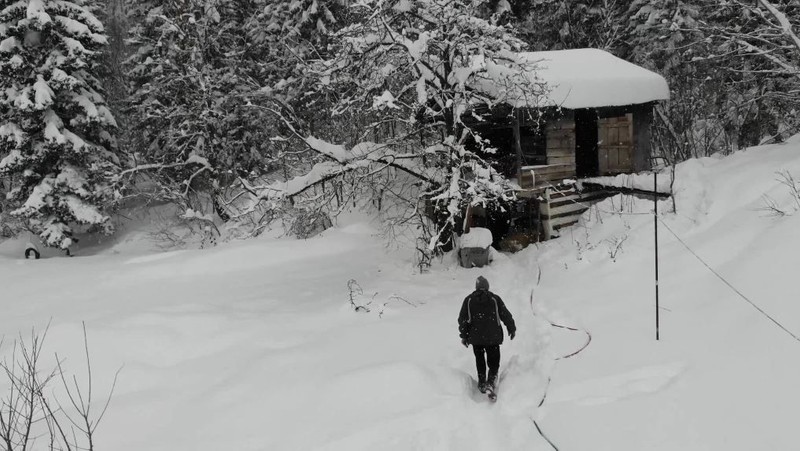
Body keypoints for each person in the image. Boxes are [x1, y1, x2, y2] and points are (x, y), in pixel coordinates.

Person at [458, 276, 516, 393]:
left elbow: (463, 319)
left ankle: (482, 382)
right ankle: (491, 381)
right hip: (492, 337)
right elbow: (505, 315)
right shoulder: (495, 299)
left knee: (479, 359)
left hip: (476, 337)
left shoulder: (469, 300)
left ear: (476, 287)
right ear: (487, 287)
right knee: (494, 360)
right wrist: (511, 328)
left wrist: (464, 336)